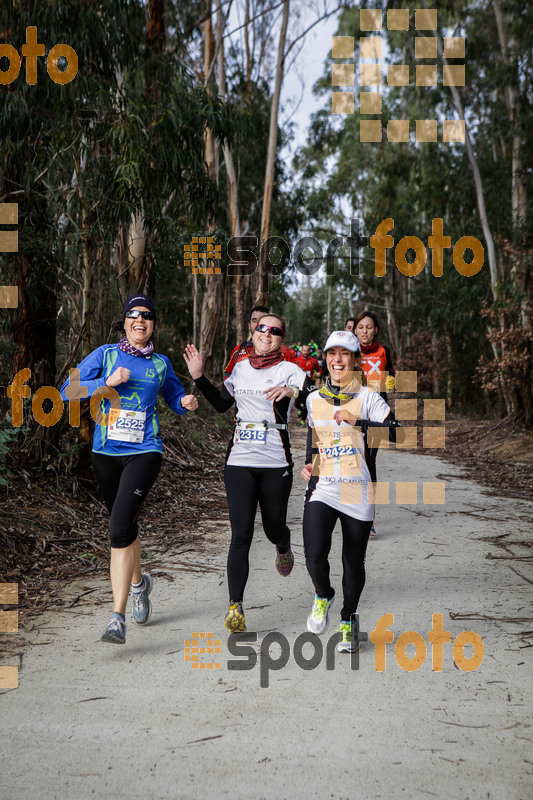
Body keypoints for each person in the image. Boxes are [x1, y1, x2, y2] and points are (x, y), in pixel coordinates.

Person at [60, 294, 198, 645]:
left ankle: (116, 617)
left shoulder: (162, 363)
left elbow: (175, 397)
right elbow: (66, 391)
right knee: (126, 526)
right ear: (124, 321)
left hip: (144, 451)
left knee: (119, 528)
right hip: (105, 453)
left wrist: (185, 402)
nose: (141, 320)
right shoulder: (106, 355)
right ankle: (139, 584)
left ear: (153, 324)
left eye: (147, 316)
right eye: (134, 315)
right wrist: (106, 382)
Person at [184, 314, 315, 633]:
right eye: (262, 329)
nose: (267, 334)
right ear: (253, 333)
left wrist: (294, 393)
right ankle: (235, 607)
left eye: (275, 331)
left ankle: (282, 544)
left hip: (275, 461)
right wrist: (200, 377)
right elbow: (220, 404)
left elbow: (316, 398)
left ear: (282, 339)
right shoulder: (240, 368)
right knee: (241, 533)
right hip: (239, 460)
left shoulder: (290, 370)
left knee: (272, 528)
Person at [301, 331, 402, 652]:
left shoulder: (369, 397)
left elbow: (397, 434)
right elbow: (313, 439)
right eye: (332, 353)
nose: (338, 359)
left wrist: (357, 421)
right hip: (323, 487)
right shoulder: (313, 398)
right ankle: (323, 594)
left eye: (345, 354)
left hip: (357, 489)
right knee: (314, 553)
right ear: (326, 359)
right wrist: (308, 465)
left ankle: (348, 618)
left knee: (352, 562)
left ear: (356, 361)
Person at [353, 310, 395, 536]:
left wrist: (386, 383)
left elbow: (392, 377)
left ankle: (368, 519)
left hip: (376, 415)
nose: (365, 331)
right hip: (352, 411)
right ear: (354, 329)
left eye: (369, 327)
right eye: (361, 327)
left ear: (376, 329)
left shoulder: (384, 351)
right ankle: (348, 509)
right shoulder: (349, 350)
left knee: (368, 462)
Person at [224, 305, 269, 377]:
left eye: (262, 321)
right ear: (249, 325)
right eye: (254, 320)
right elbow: (228, 373)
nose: (257, 324)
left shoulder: (282, 352)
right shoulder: (238, 350)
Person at [295, 345, 322, 424]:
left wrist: (318, 373)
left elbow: (320, 370)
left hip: (309, 386)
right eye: (304, 351)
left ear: (309, 351)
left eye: (307, 351)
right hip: (299, 385)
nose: (305, 352)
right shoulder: (296, 360)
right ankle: (300, 409)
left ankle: (303, 420)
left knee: (307, 404)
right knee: (297, 404)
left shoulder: (314, 361)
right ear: (301, 351)